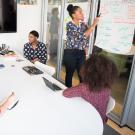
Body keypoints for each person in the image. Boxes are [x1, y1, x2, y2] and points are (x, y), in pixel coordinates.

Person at [63, 55, 118, 123]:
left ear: (86, 72)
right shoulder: (107, 89)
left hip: (87, 122)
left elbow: (65, 93)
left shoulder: (83, 88)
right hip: (101, 121)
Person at [63, 4, 100, 87]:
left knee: (82, 75)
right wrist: (94, 24)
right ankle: (67, 91)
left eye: (82, 12)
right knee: (69, 74)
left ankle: (83, 92)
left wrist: (86, 53)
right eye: (80, 12)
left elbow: (87, 37)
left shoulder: (83, 24)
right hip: (70, 53)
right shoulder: (69, 25)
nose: (82, 13)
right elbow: (82, 36)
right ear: (73, 15)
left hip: (81, 53)